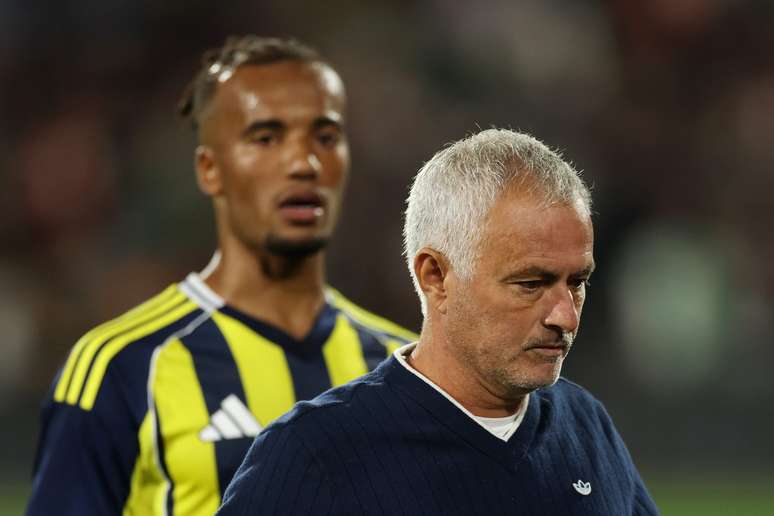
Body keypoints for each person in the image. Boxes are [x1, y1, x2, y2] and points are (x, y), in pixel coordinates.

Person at [26, 36, 417, 516]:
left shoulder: (406, 369)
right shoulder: (122, 369)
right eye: (266, 138)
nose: (304, 163)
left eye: (326, 137)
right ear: (209, 169)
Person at [217, 128, 659, 515]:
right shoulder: (315, 454)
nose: (565, 315)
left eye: (577, 282)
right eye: (530, 284)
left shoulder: (584, 426)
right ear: (436, 277)